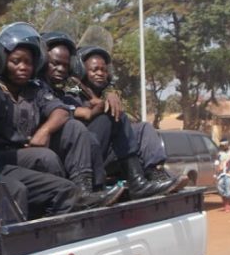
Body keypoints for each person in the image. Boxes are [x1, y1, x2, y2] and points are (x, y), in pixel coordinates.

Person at [0, 20, 123, 217]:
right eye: (16, 61)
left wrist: (44, 131)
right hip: (2, 156)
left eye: (28, 62)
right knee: (46, 158)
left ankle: (84, 192)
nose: (23, 67)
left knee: (74, 128)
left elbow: (60, 111)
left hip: (30, 149)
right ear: (3, 60)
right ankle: (60, 203)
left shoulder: (35, 90)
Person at [71, 43, 185, 199]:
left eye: (104, 70)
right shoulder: (73, 90)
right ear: (82, 70)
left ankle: (154, 174)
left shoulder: (107, 91)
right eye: (94, 70)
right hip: (85, 153)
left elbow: (117, 103)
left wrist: (109, 96)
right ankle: (137, 183)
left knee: (144, 128)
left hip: (107, 151)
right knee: (113, 114)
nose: (100, 73)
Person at [215, 138, 230, 213]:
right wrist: (216, 174)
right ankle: (226, 203)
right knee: (220, 189)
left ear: (227, 144)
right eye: (222, 145)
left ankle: (227, 205)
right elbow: (216, 164)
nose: (223, 146)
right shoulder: (219, 154)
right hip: (221, 175)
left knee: (228, 192)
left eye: (224, 145)